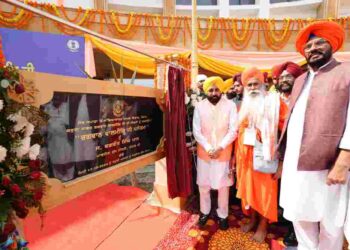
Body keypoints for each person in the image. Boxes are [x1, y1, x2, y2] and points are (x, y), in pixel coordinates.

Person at [279, 21, 350, 250]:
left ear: (332, 45)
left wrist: (344, 159)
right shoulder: (300, 79)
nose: (313, 49)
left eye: (320, 43)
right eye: (308, 46)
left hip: (328, 164)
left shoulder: (346, 73)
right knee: (300, 216)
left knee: (331, 222)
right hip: (294, 164)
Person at [235, 67, 287, 242]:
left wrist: (282, 163)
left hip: (265, 157)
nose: (252, 88)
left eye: (255, 84)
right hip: (245, 159)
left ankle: (263, 226)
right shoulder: (245, 104)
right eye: (248, 85)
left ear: (263, 84)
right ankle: (253, 219)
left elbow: (286, 131)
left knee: (264, 193)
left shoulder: (275, 103)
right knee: (250, 193)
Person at [193, 76, 238, 230]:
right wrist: (208, 147)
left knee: (223, 186)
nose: (214, 92)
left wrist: (220, 147)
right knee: (203, 185)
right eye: (210, 90)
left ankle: (223, 215)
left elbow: (233, 130)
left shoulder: (230, 105)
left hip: (223, 152)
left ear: (221, 90)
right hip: (205, 153)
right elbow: (196, 131)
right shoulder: (199, 106)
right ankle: (204, 212)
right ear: (206, 91)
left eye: (217, 89)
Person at [272, 61, 303, 247]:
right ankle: (284, 220)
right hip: (276, 151)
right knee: (280, 189)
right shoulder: (274, 99)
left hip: (297, 153)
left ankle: (294, 230)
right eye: (281, 77)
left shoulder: (302, 98)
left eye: (288, 77)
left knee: (296, 192)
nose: (284, 80)